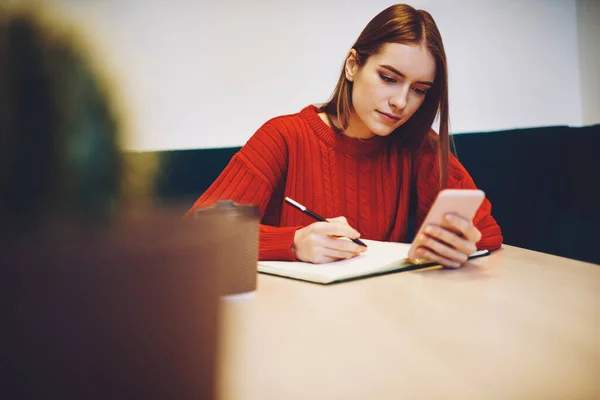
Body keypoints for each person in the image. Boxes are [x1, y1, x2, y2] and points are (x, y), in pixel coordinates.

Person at [186, 3, 503, 267]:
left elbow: (488, 232)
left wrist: (461, 243)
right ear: (353, 66)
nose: (401, 102)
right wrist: (293, 243)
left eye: (419, 90)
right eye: (389, 78)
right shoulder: (284, 137)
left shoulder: (417, 146)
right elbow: (196, 233)